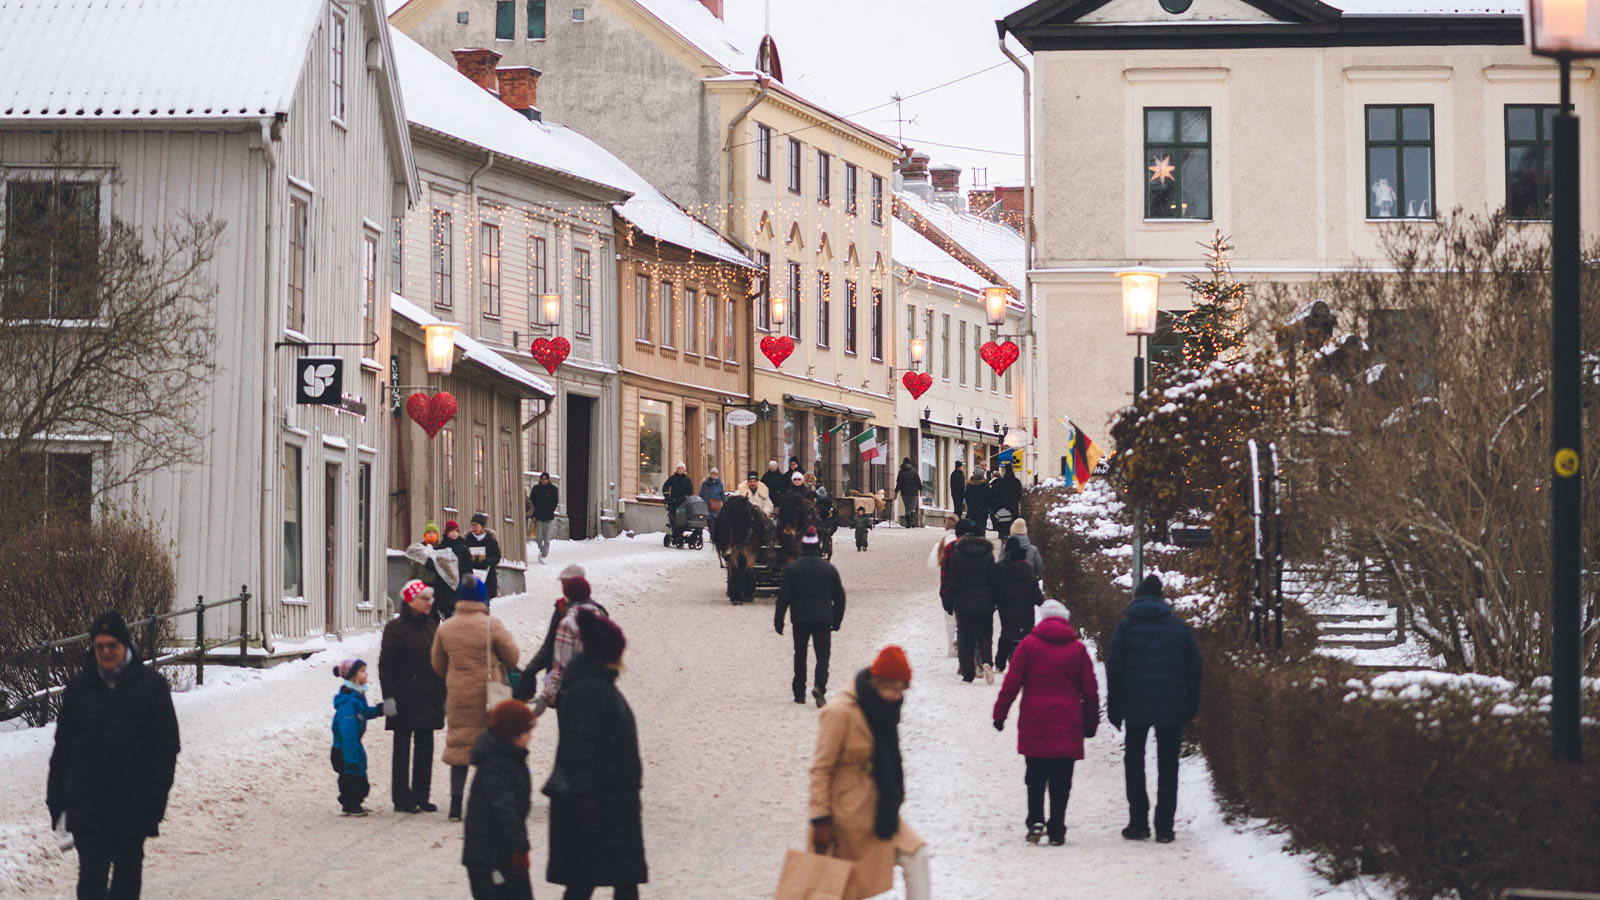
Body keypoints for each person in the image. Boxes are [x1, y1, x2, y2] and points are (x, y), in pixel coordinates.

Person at [47, 611, 180, 900]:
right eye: (99, 646)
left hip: (133, 806)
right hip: (88, 807)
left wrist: (155, 802)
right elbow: (63, 749)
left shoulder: (152, 688)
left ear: (125, 645)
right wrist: (55, 800)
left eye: (112, 645)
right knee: (91, 882)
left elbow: (166, 749)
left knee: (127, 881)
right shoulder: (78, 690)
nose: (106, 652)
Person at [808, 645, 928, 900]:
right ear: (877, 682)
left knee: (916, 853)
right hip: (843, 816)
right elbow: (821, 769)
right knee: (844, 888)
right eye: (892, 688)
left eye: (901, 689)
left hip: (879, 809)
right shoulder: (839, 712)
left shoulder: (883, 709)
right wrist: (820, 818)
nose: (897, 696)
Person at [547, 610, 647, 900]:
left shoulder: (595, 685)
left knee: (609, 880)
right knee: (586, 881)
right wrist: (586, 800)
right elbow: (578, 750)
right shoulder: (591, 690)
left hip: (611, 801)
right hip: (600, 805)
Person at [992, 600, 1099, 846]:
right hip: (1068, 721)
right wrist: (1091, 724)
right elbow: (1091, 691)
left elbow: (1012, 682)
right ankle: (1058, 827)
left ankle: (1036, 820)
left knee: (1035, 776)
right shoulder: (1077, 650)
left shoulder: (1029, 646)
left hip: (1034, 720)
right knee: (1062, 779)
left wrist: (1000, 714)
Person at [1106, 573, 1203, 844]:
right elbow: (1195, 668)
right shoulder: (1178, 627)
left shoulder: (1126, 627)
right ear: (1162, 598)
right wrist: (1191, 705)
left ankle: (1138, 822)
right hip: (1172, 708)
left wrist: (1114, 707)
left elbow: (1114, 668)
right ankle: (1164, 827)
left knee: (1134, 761)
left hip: (1134, 705)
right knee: (1168, 765)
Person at [432, 575, 521, 822]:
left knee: (459, 745)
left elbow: (438, 666)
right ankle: (486, 802)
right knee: (490, 747)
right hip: (488, 695)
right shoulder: (492, 625)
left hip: (458, 694)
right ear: (482, 598)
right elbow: (512, 657)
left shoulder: (446, 627)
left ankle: (455, 806)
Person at [380, 580, 447, 813]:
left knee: (425, 747)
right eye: (424, 599)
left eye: (430, 599)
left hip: (429, 697)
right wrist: (388, 697)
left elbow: (442, 661)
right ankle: (401, 798)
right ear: (410, 601)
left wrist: (444, 693)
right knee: (402, 749)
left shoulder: (432, 627)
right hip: (403, 698)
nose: (430, 603)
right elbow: (385, 666)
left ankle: (421, 795)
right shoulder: (395, 628)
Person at [463, 699, 537, 900]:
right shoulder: (495, 765)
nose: (531, 736)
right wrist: (519, 846)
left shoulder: (511, 758)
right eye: (527, 731)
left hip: (503, 850)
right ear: (513, 733)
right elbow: (505, 808)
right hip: (489, 856)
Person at [775, 526, 847, 707]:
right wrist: (837, 620)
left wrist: (779, 620)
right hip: (823, 618)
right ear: (818, 546)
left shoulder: (793, 569)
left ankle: (799, 692)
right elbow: (840, 597)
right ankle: (819, 686)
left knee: (800, 654)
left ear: (802, 547)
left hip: (799, 618)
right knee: (822, 655)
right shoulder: (829, 569)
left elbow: (783, 597)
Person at [516, 566, 606, 708]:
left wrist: (531, 672)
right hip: (591, 685)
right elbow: (549, 646)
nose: (564, 587)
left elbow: (552, 651)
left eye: (567, 583)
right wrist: (530, 671)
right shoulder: (594, 611)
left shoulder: (569, 612)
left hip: (571, 685)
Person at [534, 576, 609, 713]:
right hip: (601, 690)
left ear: (568, 596)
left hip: (574, 692)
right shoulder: (602, 617)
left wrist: (546, 696)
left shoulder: (569, 623)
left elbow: (562, 666)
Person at [942, 520, 998, 683]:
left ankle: (968, 672)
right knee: (985, 636)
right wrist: (995, 601)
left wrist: (949, 601)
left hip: (964, 602)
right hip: (985, 602)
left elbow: (952, 580)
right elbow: (994, 580)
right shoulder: (988, 554)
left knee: (965, 637)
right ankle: (986, 662)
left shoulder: (958, 553)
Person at [330, 658, 384, 816]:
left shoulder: (357, 696)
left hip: (350, 747)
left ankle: (353, 803)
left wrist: (382, 709)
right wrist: (352, 757)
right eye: (362, 671)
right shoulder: (349, 702)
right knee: (352, 776)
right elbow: (348, 734)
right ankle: (351, 804)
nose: (366, 673)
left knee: (356, 774)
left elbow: (365, 713)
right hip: (345, 748)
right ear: (352, 676)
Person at [994, 539, 1046, 672]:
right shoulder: (1029, 573)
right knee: (1026, 635)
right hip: (1026, 611)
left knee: (1006, 634)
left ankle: (1000, 662)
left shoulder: (1004, 571)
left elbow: (999, 590)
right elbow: (1037, 595)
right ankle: (1025, 661)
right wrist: (1044, 605)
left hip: (1007, 610)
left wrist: (996, 602)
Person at [407, 522, 462, 618]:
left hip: (438, 584)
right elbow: (414, 568)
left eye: (434, 532)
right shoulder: (420, 550)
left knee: (435, 610)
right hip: (422, 583)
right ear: (424, 535)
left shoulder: (441, 549)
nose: (431, 534)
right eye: (429, 532)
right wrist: (411, 582)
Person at [928, 515, 961, 659]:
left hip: (946, 583)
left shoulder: (942, 542)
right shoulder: (960, 541)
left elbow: (931, 564)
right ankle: (959, 641)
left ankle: (950, 647)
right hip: (962, 584)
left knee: (949, 618)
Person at [466, 513, 503, 600]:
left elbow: (497, 556)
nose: (474, 528)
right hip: (472, 576)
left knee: (485, 603)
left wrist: (486, 561)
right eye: (472, 525)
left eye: (476, 525)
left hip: (488, 576)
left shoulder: (491, 540)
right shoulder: (467, 540)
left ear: (482, 526)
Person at [529, 472, 560, 565]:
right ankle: (541, 549)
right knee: (538, 537)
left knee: (546, 538)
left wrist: (550, 510)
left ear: (548, 479)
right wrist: (533, 514)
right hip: (538, 517)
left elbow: (555, 502)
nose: (543, 481)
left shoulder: (553, 489)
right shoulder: (536, 489)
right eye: (542, 479)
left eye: (545, 479)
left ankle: (543, 555)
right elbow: (532, 502)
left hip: (548, 517)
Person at [990, 464, 1024, 536]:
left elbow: (996, 495)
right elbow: (1019, 495)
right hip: (1013, 508)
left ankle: (1004, 540)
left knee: (1003, 528)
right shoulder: (1017, 482)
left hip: (1003, 509)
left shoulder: (1001, 482)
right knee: (1012, 527)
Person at [895, 458, 923, 529]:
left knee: (907, 508)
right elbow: (918, 481)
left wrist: (896, 491)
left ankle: (908, 523)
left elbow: (899, 483)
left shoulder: (901, 472)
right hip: (914, 492)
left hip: (904, 492)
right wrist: (920, 489)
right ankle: (912, 519)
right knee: (912, 507)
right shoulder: (914, 471)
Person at [964, 467, 991, 538]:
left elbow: (967, 497)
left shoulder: (969, 484)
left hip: (971, 511)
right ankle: (981, 542)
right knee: (981, 528)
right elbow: (988, 497)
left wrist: (970, 505)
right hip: (982, 511)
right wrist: (988, 508)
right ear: (982, 475)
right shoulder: (985, 484)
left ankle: (972, 541)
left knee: (972, 529)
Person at [698, 466, 726, 532]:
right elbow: (701, 493)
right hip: (707, 504)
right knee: (709, 520)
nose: (713, 475)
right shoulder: (705, 483)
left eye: (715, 474)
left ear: (717, 475)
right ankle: (711, 533)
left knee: (715, 520)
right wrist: (699, 501)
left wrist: (725, 504)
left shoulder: (720, 484)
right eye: (712, 473)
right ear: (710, 474)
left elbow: (722, 495)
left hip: (716, 505)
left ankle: (714, 534)